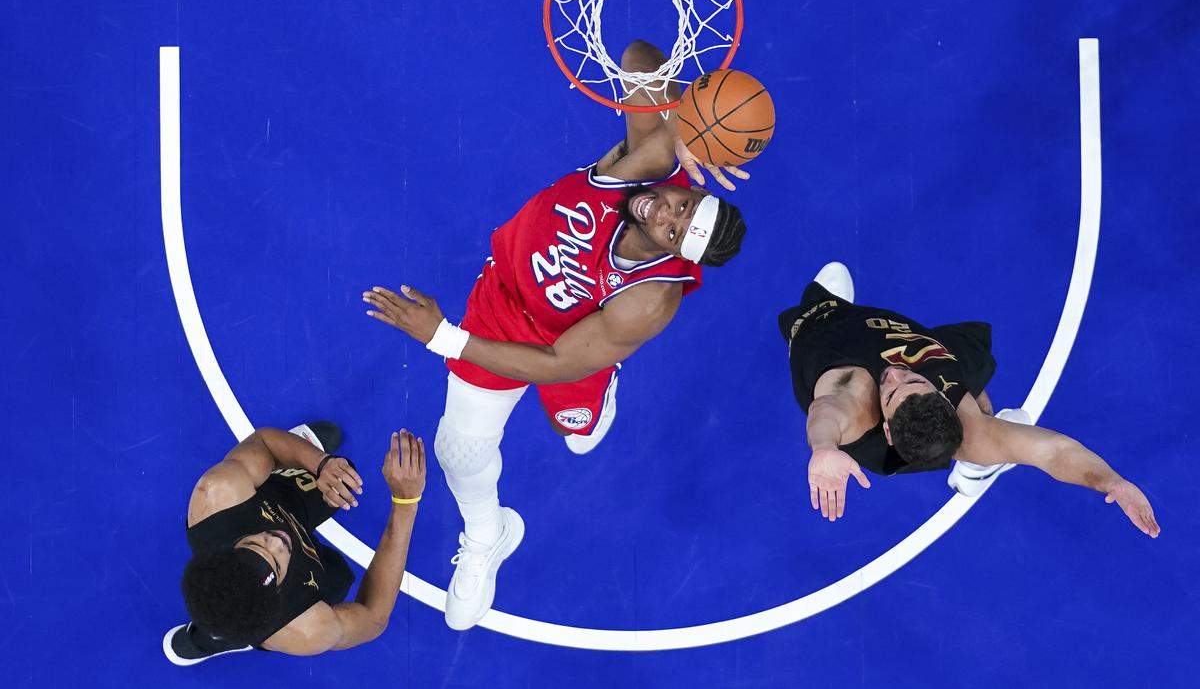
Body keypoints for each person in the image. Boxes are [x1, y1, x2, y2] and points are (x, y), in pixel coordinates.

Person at [362, 40, 749, 630]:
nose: (663, 212)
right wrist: (690, 117)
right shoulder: (651, 161)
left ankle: (597, 401)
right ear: (690, 185)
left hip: (570, 348)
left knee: (575, 434)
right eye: (682, 204)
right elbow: (639, 57)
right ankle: (488, 533)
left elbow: (556, 363)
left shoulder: (650, 300)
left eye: (675, 230)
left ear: (673, 251)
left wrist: (441, 336)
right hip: (501, 304)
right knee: (456, 450)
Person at [778, 262, 1160, 538]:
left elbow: (825, 411)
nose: (894, 374)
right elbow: (1053, 452)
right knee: (977, 405)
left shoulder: (854, 394)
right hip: (909, 350)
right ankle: (979, 463)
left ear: (888, 431)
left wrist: (824, 448)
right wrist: (1113, 482)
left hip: (828, 331)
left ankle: (828, 304)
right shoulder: (958, 416)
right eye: (908, 382)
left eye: (897, 389)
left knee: (816, 313)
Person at [163, 422, 426, 664]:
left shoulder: (218, 493)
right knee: (339, 577)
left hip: (279, 502)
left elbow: (263, 441)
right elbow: (373, 616)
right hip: (289, 592)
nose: (279, 543)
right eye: (276, 564)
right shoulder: (304, 628)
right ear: (276, 598)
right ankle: (215, 637)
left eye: (258, 544)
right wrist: (406, 503)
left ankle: (291, 463)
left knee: (340, 471)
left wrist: (321, 464)